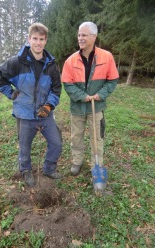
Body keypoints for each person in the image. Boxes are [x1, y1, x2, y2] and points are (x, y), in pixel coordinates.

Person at [0, 22, 62, 187]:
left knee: (56, 143)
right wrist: (11, 93)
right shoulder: (17, 62)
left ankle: (48, 168)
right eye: (35, 38)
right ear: (29, 39)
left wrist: (48, 106)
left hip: (45, 114)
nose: (38, 42)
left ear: (46, 40)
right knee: (24, 147)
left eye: (41, 39)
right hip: (24, 115)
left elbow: (56, 89)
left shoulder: (52, 65)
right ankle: (26, 171)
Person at [61, 21, 119, 176]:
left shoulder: (106, 57)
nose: (80, 38)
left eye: (84, 35)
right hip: (77, 107)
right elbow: (67, 83)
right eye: (79, 35)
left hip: (97, 106)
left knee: (97, 137)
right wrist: (83, 96)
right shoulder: (70, 61)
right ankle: (77, 161)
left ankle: (96, 165)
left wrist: (101, 94)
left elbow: (113, 80)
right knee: (76, 136)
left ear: (94, 37)